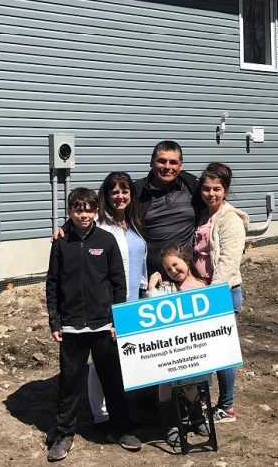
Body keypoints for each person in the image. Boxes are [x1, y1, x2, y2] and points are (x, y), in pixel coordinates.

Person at [45, 187, 142, 461]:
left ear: (96, 211)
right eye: (77, 210)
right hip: (72, 328)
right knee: (69, 384)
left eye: (88, 209)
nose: (83, 214)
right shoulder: (61, 242)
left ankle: (119, 429)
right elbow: (52, 284)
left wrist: (117, 320)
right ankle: (63, 434)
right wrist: (55, 320)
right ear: (69, 212)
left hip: (103, 326)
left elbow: (118, 283)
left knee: (113, 380)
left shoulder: (106, 240)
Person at [87, 172, 147, 431]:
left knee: (123, 359)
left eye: (125, 191)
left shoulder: (132, 223)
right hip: (109, 305)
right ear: (106, 195)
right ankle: (101, 416)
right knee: (100, 363)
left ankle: (119, 409)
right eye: (114, 191)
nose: (120, 196)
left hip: (134, 302)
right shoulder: (99, 226)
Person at [193, 162, 249, 423]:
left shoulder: (230, 219)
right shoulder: (205, 214)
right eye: (206, 189)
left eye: (216, 189)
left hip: (221, 293)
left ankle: (226, 406)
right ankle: (202, 398)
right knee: (203, 349)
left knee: (222, 351)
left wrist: (212, 294)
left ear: (225, 190)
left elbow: (228, 261)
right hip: (201, 291)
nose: (211, 194)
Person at [147, 244, 209, 447]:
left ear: (186, 260)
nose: (173, 271)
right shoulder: (167, 288)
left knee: (191, 383)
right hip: (168, 348)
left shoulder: (202, 286)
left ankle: (197, 418)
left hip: (191, 347)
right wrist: (151, 287)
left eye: (175, 265)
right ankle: (171, 425)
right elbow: (152, 307)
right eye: (168, 269)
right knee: (165, 384)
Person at [134, 140, 204, 277]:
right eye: (161, 161)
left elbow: (217, 210)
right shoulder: (137, 192)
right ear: (151, 162)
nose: (167, 167)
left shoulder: (193, 187)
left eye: (173, 162)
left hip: (188, 273)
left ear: (181, 166)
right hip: (153, 275)